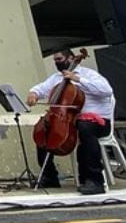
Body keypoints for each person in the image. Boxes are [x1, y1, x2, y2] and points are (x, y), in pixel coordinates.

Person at [27, 48, 114, 195]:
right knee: (42, 129)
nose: (56, 63)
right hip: (70, 119)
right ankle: (50, 176)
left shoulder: (89, 74)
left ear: (71, 58)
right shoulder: (56, 78)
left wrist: (78, 79)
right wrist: (33, 93)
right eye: (54, 61)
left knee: (85, 128)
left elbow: (106, 90)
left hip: (97, 122)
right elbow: (41, 88)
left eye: (59, 59)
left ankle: (94, 180)